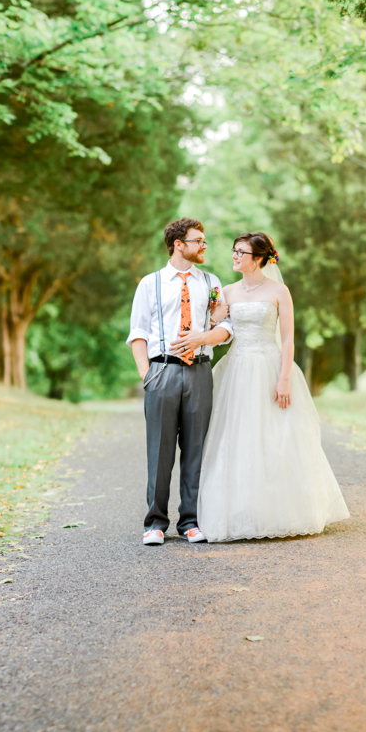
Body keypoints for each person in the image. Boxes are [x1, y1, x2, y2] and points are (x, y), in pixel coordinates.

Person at [198, 231, 350, 542]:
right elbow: (216, 326)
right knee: (237, 436)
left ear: (258, 259)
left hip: (269, 366)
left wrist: (283, 378)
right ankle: (240, 512)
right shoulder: (226, 291)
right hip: (237, 369)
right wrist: (216, 316)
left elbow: (288, 338)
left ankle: (281, 511)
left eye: (241, 252)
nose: (234, 256)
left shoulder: (279, 291)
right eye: (234, 251)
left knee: (276, 436)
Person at [128, 218, 232, 546]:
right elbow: (138, 333)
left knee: (196, 449)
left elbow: (226, 328)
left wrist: (205, 334)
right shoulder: (150, 284)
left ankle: (190, 521)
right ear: (178, 245)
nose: (204, 245)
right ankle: (155, 523)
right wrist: (146, 374)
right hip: (162, 373)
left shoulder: (211, 281)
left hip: (200, 372)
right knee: (159, 452)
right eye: (198, 240)